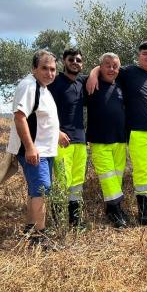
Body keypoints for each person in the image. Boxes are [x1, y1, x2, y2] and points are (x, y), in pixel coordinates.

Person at [86, 41, 147, 224]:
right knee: (143, 171)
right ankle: (142, 212)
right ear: (139, 56)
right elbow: (109, 66)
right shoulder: (129, 72)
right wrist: (93, 74)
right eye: (145, 53)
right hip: (139, 131)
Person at [6, 50, 65, 248]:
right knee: (42, 189)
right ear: (34, 69)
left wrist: (57, 134)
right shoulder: (29, 86)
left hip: (46, 151)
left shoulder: (43, 88)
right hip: (35, 151)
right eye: (45, 68)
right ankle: (40, 237)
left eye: (53, 69)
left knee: (37, 190)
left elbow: (40, 118)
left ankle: (31, 230)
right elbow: (20, 117)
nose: (50, 73)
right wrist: (30, 147)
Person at [86, 52, 130, 228]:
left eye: (115, 66)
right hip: (99, 140)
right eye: (107, 65)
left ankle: (112, 208)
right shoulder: (91, 84)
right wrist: (93, 73)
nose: (111, 69)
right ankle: (115, 211)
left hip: (120, 140)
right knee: (108, 177)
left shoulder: (121, 84)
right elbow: (92, 71)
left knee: (116, 177)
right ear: (100, 66)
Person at [49, 47, 87, 228]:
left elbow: (98, 72)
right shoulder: (55, 83)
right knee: (62, 182)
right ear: (64, 61)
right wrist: (56, 132)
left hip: (80, 141)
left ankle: (75, 220)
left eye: (78, 60)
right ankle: (58, 222)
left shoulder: (81, 83)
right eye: (71, 59)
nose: (75, 63)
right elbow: (43, 110)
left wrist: (95, 72)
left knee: (77, 183)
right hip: (61, 141)